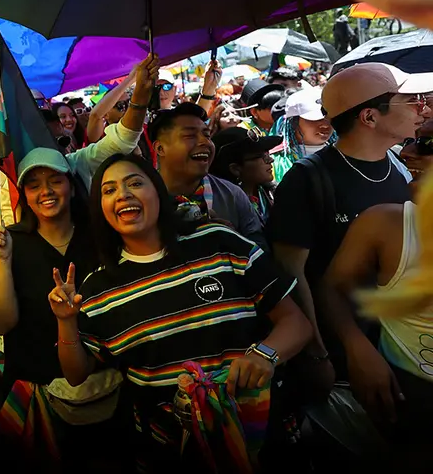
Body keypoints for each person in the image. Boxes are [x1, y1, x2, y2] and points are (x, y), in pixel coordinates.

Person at [51, 153, 310, 472]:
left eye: (134, 183)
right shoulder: (97, 289)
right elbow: (76, 373)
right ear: (101, 209)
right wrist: (65, 322)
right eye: (109, 190)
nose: (123, 194)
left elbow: (295, 322)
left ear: (158, 192)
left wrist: (264, 356)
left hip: (260, 434)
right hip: (169, 450)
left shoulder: (218, 243)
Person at [268, 63, 430, 388]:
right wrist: (316, 353)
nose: (422, 107)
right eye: (410, 100)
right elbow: (291, 275)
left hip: (401, 349)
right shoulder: (307, 180)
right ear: (369, 117)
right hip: (342, 358)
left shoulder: (402, 169)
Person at [0, 148, 123, 470]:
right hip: (37, 391)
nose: (45, 191)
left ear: (71, 185)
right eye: (34, 185)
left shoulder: (102, 236)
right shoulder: (8, 241)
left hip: (106, 390)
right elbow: (2, 323)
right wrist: (3, 261)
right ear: (25, 196)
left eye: (54, 180)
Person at [320, 140, 433, 468]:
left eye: (427, 143)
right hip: (410, 403)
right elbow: (332, 289)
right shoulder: (385, 224)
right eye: (411, 140)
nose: (406, 152)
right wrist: (357, 346)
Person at [148, 103, 268, 249]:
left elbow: (261, 251)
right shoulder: (143, 198)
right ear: (160, 148)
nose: (204, 142)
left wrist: (231, 239)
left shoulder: (232, 195)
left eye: (206, 135)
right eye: (190, 136)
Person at [210, 128, 282, 223]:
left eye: (267, 154)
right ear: (235, 169)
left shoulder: (273, 194)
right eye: (262, 156)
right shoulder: (223, 208)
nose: (270, 160)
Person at [272, 86, 335, 182]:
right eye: (315, 119)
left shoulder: (346, 154)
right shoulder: (275, 162)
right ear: (293, 122)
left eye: (329, 117)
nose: (325, 125)